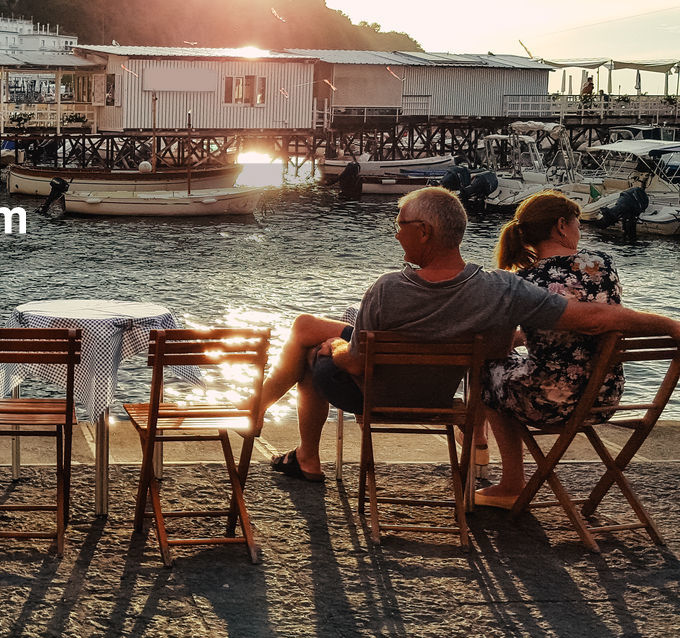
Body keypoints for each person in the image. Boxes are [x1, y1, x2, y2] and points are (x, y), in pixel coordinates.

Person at [251, 186, 680, 484]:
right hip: (440, 391)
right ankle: (259, 411)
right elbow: (593, 318)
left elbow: (357, 363)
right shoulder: (501, 289)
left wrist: (339, 348)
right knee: (307, 326)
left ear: (424, 232)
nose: (395, 232)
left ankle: (302, 453)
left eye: (399, 224)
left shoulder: (386, 289)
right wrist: (672, 326)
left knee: (312, 353)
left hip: (377, 390)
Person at [474, 192, 622, 508]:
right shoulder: (601, 264)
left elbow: (497, 346)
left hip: (549, 402)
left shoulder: (524, 279)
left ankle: (507, 476)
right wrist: (530, 337)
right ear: (561, 226)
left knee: (487, 369)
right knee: (511, 368)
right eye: (578, 224)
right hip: (603, 398)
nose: (579, 232)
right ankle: (478, 443)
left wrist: (515, 338)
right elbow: (588, 321)